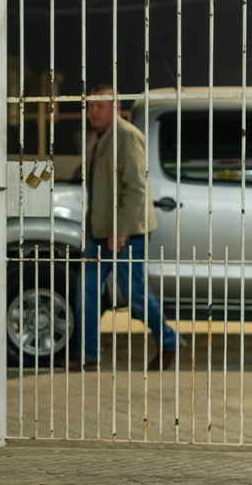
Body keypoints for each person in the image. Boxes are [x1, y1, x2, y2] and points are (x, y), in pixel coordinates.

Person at [74, 84, 181, 371]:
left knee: (133, 294)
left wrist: (119, 230)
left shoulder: (127, 137)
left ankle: (169, 340)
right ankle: (89, 355)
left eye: (99, 106)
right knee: (86, 290)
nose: (92, 112)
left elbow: (136, 189)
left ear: (116, 108)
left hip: (126, 233)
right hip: (100, 232)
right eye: (89, 106)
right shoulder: (98, 137)